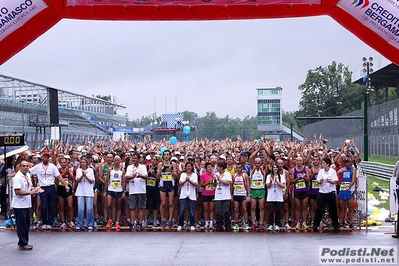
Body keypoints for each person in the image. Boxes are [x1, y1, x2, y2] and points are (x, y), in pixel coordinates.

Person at [30, 151, 67, 230]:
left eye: (47, 157)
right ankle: (44, 222)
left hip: (51, 187)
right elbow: (29, 172)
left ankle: (50, 222)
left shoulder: (52, 166)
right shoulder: (38, 167)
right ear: (42, 157)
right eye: (44, 157)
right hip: (42, 187)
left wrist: (65, 185)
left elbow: (59, 176)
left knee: (51, 205)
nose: (45, 158)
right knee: (43, 206)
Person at [12, 160, 42, 250]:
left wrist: (35, 189)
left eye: (27, 166)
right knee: (21, 225)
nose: (25, 167)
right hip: (19, 205)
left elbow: (28, 187)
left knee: (26, 224)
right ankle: (22, 243)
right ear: (20, 167)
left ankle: (25, 241)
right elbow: (17, 191)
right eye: (23, 166)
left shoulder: (28, 175)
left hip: (26, 204)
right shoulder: (17, 177)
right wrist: (30, 192)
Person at [313, 157, 339, 232]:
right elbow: (318, 180)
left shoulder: (332, 171)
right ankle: (316, 224)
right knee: (319, 209)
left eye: (324, 163)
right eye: (322, 163)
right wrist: (320, 181)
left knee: (333, 209)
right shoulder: (321, 171)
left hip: (330, 192)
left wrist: (330, 181)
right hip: (322, 191)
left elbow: (336, 181)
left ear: (328, 164)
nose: (323, 164)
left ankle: (335, 225)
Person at [126, 152, 148, 231]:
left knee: (141, 208)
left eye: (136, 158)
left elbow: (146, 176)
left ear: (138, 159)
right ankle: (132, 223)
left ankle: (140, 222)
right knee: (132, 208)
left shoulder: (143, 167)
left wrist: (140, 176)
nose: (134, 160)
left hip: (141, 190)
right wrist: (132, 176)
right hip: (132, 190)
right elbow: (126, 177)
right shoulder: (129, 167)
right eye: (133, 158)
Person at [156, 149, 177, 228]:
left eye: (168, 155)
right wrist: (160, 171)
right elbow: (157, 177)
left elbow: (176, 176)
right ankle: (162, 219)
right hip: (163, 184)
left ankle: (170, 219)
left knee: (171, 203)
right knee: (163, 203)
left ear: (170, 156)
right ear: (163, 156)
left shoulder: (173, 164)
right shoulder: (160, 164)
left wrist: (172, 171)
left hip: (170, 184)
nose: (166, 156)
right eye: (165, 155)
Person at [75, 158, 95, 231]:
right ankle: (79, 224)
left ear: (86, 163)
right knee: (80, 208)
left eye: (84, 162)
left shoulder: (90, 170)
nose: (82, 163)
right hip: (80, 191)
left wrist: (86, 176)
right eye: (81, 162)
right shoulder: (78, 170)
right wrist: (82, 175)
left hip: (89, 192)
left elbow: (92, 181)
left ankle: (90, 224)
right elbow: (78, 180)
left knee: (89, 208)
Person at [105, 155, 125, 230]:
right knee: (109, 204)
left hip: (119, 190)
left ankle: (117, 221)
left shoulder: (122, 170)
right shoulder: (110, 169)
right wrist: (105, 190)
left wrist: (124, 191)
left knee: (118, 206)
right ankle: (110, 220)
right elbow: (107, 180)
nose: (116, 161)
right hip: (111, 189)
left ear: (120, 161)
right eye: (115, 160)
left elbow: (123, 181)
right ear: (114, 161)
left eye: (118, 160)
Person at [177, 162, 198, 231]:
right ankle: (180, 224)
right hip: (183, 194)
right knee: (182, 210)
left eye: (189, 166)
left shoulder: (194, 175)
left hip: (191, 194)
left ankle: (192, 224)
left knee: (191, 210)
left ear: (192, 167)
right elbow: (180, 183)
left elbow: (195, 184)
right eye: (187, 166)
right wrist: (186, 180)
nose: (188, 168)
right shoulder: (183, 174)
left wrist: (189, 181)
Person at [337, 157, 357, 229]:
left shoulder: (353, 169)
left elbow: (354, 179)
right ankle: (341, 221)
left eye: (348, 162)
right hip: (342, 189)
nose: (347, 164)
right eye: (345, 163)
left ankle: (351, 222)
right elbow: (335, 177)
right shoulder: (342, 169)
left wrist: (350, 186)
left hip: (349, 189)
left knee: (350, 206)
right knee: (341, 206)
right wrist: (338, 172)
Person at [266, 163, 285, 231]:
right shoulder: (268, 176)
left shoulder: (281, 176)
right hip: (271, 196)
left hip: (278, 196)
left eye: (276, 167)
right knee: (271, 211)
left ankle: (277, 224)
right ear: (272, 168)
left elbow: (282, 186)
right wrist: (271, 181)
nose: (275, 169)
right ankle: (270, 224)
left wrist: (277, 181)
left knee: (278, 211)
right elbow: (268, 186)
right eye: (274, 167)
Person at [214, 161, 232, 232]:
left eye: (218, 167)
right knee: (218, 212)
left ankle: (228, 225)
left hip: (226, 196)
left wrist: (220, 179)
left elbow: (228, 183)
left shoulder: (227, 174)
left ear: (221, 167)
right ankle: (219, 226)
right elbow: (214, 185)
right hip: (218, 196)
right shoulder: (216, 174)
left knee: (226, 211)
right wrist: (214, 181)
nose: (217, 168)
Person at [57, 157, 75, 229]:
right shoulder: (57, 170)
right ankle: (63, 222)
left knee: (70, 205)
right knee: (61, 206)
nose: (63, 164)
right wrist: (63, 173)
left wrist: (69, 173)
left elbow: (73, 178)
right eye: (62, 162)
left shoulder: (69, 169)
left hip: (68, 188)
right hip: (60, 188)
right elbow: (57, 178)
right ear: (60, 163)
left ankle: (70, 220)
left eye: (65, 162)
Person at [232, 162, 250, 231]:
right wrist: (231, 194)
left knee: (244, 209)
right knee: (236, 208)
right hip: (236, 194)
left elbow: (248, 185)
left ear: (242, 168)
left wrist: (248, 195)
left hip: (243, 194)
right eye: (237, 168)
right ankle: (236, 223)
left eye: (240, 168)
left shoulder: (245, 175)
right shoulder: (234, 175)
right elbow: (232, 186)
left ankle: (246, 223)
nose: (238, 169)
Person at [200, 162, 216, 230]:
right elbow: (202, 185)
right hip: (205, 194)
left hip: (212, 193)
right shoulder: (203, 175)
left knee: (212, 209)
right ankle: (206, 222)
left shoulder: (214, 175)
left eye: (211, 167)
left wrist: (213, 181)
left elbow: (215, 185)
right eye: (208, 167)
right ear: (206, 168)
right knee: (206, 209)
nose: (210, 168)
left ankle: (211, 222)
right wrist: (208, 182)